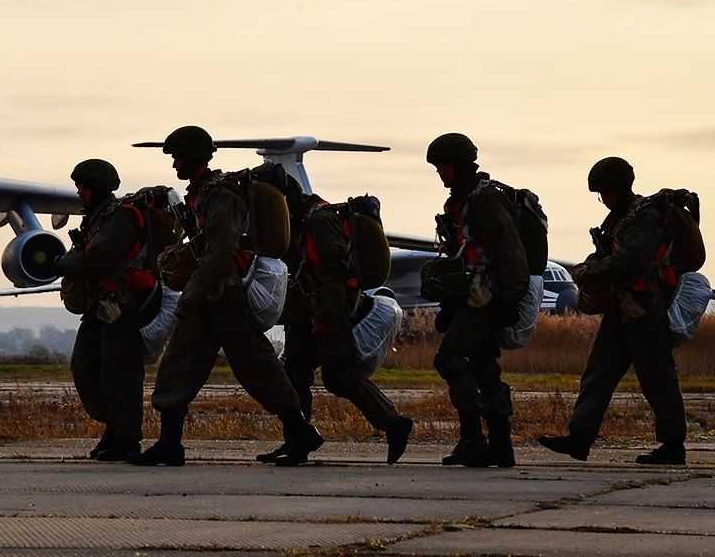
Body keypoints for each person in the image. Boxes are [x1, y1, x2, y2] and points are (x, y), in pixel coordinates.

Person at [128, 126, 323, 467]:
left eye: (178, 158)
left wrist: (190, 294)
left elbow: (219, 252)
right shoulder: (202, 194)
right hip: (210, 295)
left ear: (193, 158)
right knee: (177, 363)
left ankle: (300, 431)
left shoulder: (220, 195)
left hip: (224, 293)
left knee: (257, 366)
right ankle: (169, 443)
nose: (174, 165)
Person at [538, 157, 687, 465]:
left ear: (619, 189)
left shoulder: (645, 219)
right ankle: (579, 439)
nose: (602, 199)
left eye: (605, 192)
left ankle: (673, 446)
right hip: (621, 308)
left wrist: (590, 273)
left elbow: (630, 260)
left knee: (657, 378)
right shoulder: (619, 219)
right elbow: (608, 252)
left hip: (644, 308)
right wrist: (585, 266)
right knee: (598, 373)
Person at [268, 189, 413, 465]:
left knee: (339, 377)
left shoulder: (318, 221)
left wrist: (328, 317)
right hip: (311, 309)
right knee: (294, 372)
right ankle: (296, 441)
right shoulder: (298, 223)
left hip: (331, 311)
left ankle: (395, 424)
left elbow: (338, 270)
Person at [426, 133, 528, 468]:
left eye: (446, 166)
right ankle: (501, 445)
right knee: (484, 368)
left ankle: (473, 439)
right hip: (469, 296)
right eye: (438, 167)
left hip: (486, 297)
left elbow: (509, 249)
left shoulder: (485, 200)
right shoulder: (460, 201)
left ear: (463, 165)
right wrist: (446, 307)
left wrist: (512, 298)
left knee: (449, 358)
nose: (441, 173)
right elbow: (459, 256)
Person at [56, 159, 154, 462]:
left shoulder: (119, 220)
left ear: (97, 188)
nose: (80, 194)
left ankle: (126, 438)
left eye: (83, 188)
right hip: (100, 307)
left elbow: (99, 259)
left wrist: (61, 263)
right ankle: (114, 428)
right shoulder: (97, 220)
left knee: (120, 374)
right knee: (84, 367)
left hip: (120, 307)